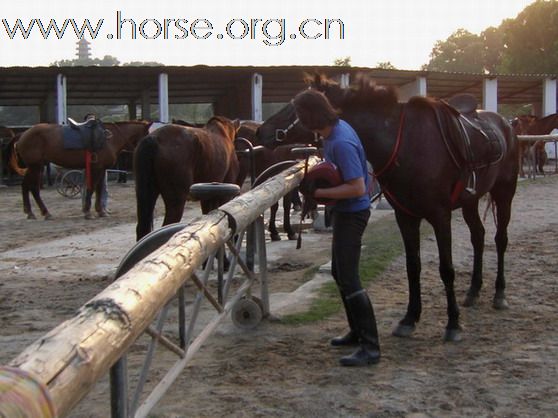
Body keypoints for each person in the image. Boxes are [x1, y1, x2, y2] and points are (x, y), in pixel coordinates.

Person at [294, 89, 380, 367]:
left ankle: (371, 347)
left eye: (300, 116)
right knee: (338, 271)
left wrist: (319, 195)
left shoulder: (340, 141)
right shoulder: (334, 132)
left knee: (350, 277)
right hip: (345, 212)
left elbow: (358, 186)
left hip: (353, 213)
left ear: (310, 116)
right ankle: (356, 332)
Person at [83, 113, 109, 214]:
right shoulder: (93, 131)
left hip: (97, 163)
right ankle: (91, 207)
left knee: (103, 186)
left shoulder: (99, 131)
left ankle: (102, 206)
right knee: (91, 185)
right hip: (92, 161)